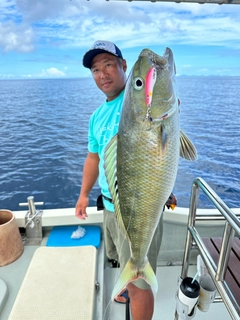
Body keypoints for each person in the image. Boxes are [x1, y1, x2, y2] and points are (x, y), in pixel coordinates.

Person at [75, 40, 167, 320]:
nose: (102, 74)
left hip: (141, 210)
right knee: (118, 258)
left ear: (123, 66)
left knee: (140, 283)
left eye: (108, 65)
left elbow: (154, 91)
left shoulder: (139, 101)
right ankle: (127, 283)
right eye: (95, 69)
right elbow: (93, 158)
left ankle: (136, 290)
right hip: (110, 206)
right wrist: (83, 195)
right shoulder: (96, 117)